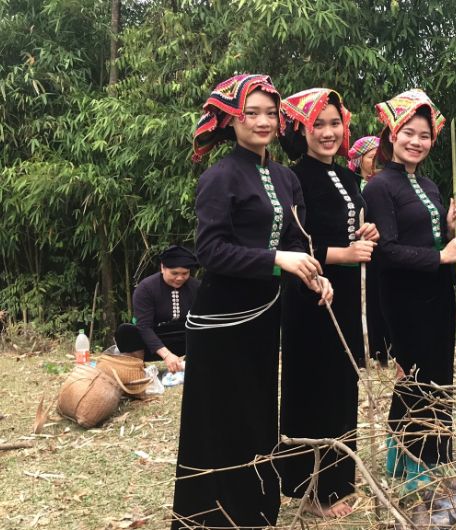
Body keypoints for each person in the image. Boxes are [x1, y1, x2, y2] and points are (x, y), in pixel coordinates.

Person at [170, 74, 333, 529]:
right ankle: (211, 518)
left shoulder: (285, 177)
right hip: (221, 322)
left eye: (270, 112)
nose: (263, 121)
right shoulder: (219, 176)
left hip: (264, 318)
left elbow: (301, 242)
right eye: (251, 113)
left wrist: (315, 278)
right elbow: (211, 251)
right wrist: (277, 258)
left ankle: (257, 513)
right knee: (220, 423)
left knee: (259, 416)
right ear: (231, 120)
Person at [277, 88, 379, 517]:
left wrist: (365, 235)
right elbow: (291, 243)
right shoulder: (292, 178)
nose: (328, 132)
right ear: (301, 129)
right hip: (311, 297)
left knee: (343, 386)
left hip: (346, 295)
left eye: (334, 123)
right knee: (314, 388)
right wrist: (342, 254)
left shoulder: (350, 177)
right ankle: (312, 490)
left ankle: (339, 482)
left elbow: (346, 229)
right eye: (318, 123)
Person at [362, 89, 456, 492]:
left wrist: (452, 221)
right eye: (408, 132)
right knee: (417, 378)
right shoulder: (378, 187)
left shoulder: (430, 185)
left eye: (424, 135)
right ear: (392, 134)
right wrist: (440, 257)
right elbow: (385, 251)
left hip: (436, 294)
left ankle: (416, 458)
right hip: (403, 296)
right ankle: (417, 469)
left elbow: (433, 235)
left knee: (436, 376)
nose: (416, 141)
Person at [113, 245, 199, 373]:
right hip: (154, 338)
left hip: (186, 337)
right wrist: (166, 355)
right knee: (126, 331)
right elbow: (144, 326)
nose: (180, 278)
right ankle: (137, 369)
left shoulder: (197, 287)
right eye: (174, 273)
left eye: (185, 273)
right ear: (162, 268)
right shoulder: (146, 288)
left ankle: (197, 365)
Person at [348, 135, 391, 365]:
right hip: (357, 251)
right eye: (371, 157)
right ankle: (364, 351)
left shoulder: (388, 182)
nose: (375, 161)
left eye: (379, 157)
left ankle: (383, 351)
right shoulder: (351, 185)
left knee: (380, 299)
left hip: (382, 250)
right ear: (360, 160)